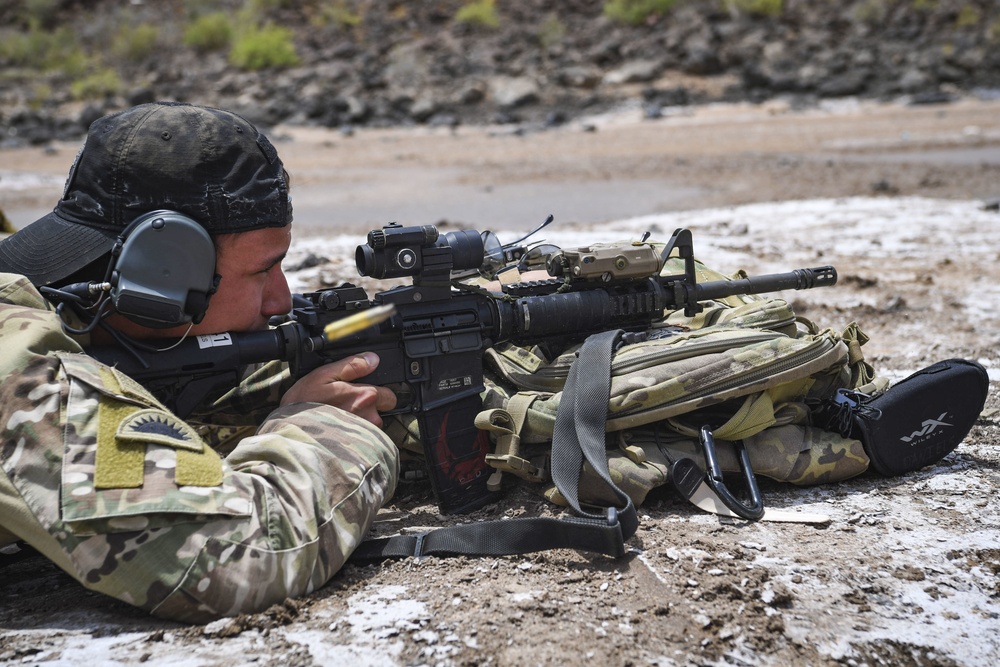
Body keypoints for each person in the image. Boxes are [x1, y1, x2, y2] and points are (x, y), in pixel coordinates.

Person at [0, 102, 399, 623]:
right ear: (164, 272)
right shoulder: (19, 366)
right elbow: (241, 558)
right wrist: (325, 427)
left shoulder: (73, 314)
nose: (281, 300)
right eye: (263, 272)